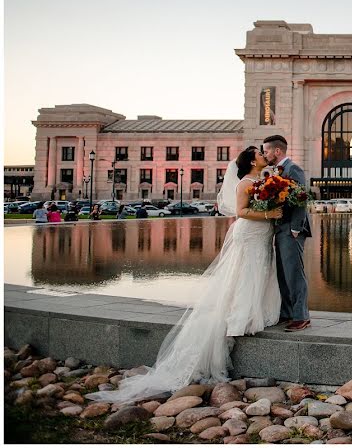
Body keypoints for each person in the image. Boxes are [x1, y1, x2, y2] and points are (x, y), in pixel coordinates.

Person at [85, 146, 282, 403]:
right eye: (258, 152)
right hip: (250, 232)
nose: (262, 154)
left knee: (257, 272)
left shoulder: (263, 178)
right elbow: (241, 211)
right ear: (250, 161)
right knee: (244, 274)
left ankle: (255, 311)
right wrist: (269, 213)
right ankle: (241, 315)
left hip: (261, 234)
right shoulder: (245, 182)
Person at [261, 134, 312, 332]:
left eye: (266, 151)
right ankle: (288, 312)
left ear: (277, 151)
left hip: (292, 229)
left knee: (294, 273)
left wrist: (295, 228)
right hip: (280, 228)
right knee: (283, 273)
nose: (265, 155)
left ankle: (301, 317)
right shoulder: (275, 171)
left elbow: (301, 197)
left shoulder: (293, 169)